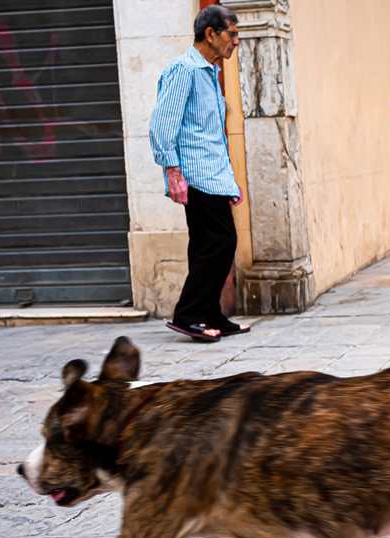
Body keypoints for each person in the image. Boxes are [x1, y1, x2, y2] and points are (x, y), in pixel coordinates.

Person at [149, 5, 250, 343]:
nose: (236, 42)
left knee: (206, 245)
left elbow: (213, 137)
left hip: (213, 174)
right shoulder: (184, 70)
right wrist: (173, 172)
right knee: (222, 243)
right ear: (211, 34)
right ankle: (188, 314)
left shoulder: (209, 73)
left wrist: (229, 180)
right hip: (195, 175)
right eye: (231, 34)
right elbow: (163, 125)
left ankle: (210, 315)